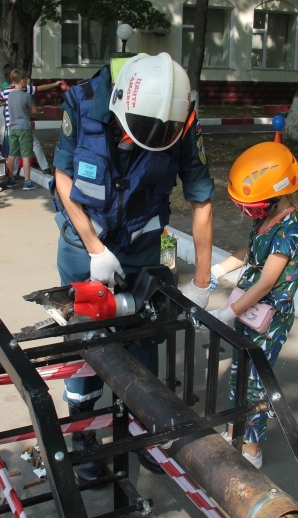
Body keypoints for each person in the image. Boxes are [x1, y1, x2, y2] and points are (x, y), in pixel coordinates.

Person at [51, 52, 214, 481]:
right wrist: (94, 247)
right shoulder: (84, 102)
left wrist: (201, 281)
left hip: (145, 244)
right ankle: (82, 431)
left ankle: (143, 425)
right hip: (84, 242)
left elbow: (201, 199)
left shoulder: (181, 117)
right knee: (88, 337)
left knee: (144, 336)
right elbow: (63, 177)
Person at [207, 142, 298, 469]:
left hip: (268, 322)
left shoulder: (290, 230)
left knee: (255, 383)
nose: (246, 214)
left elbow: (266, 281)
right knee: (238, 375)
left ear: (277, 195)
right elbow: (250, 251)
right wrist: (218, 270)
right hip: (247, 313)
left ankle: (251, 448)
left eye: (250, 208)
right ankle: (234, 429)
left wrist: (227, 312)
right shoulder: (267, 219)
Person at [0, 74, 62, 174]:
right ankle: (44, 168)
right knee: (34, 145)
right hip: (23, 125)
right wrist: (55, 84)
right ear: (22, 80)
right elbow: (40, 88)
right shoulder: (25, 90)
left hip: (10, 125)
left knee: (14, 151)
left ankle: (13, 173)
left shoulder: (6, 92)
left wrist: (7, 103)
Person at [6, 70, 39, 191]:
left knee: (11, 154)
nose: (26, 81)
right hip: (24, 127)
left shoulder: (10, 95)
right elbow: (34, 110)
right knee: (25, 155)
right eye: (25, 79)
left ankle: (10, 179)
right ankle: (27, 181)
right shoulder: (26, 96)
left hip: (13, 128)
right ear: (22, 80)